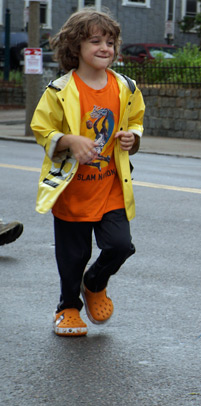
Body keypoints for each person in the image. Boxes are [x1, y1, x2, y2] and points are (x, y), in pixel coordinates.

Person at [31, 8, 145, 337]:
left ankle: (94, 283)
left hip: (110, 188)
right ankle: (67, 307)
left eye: (110, 41)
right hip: (72, 191)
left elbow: (136, 119)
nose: (105, 47)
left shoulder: (126, 86)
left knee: (120, 245)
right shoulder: (59, 90)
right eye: (95, 41)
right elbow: (41, 128)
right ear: (75, 47)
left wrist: (132, 137)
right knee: (73, 256)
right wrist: (68, 140)